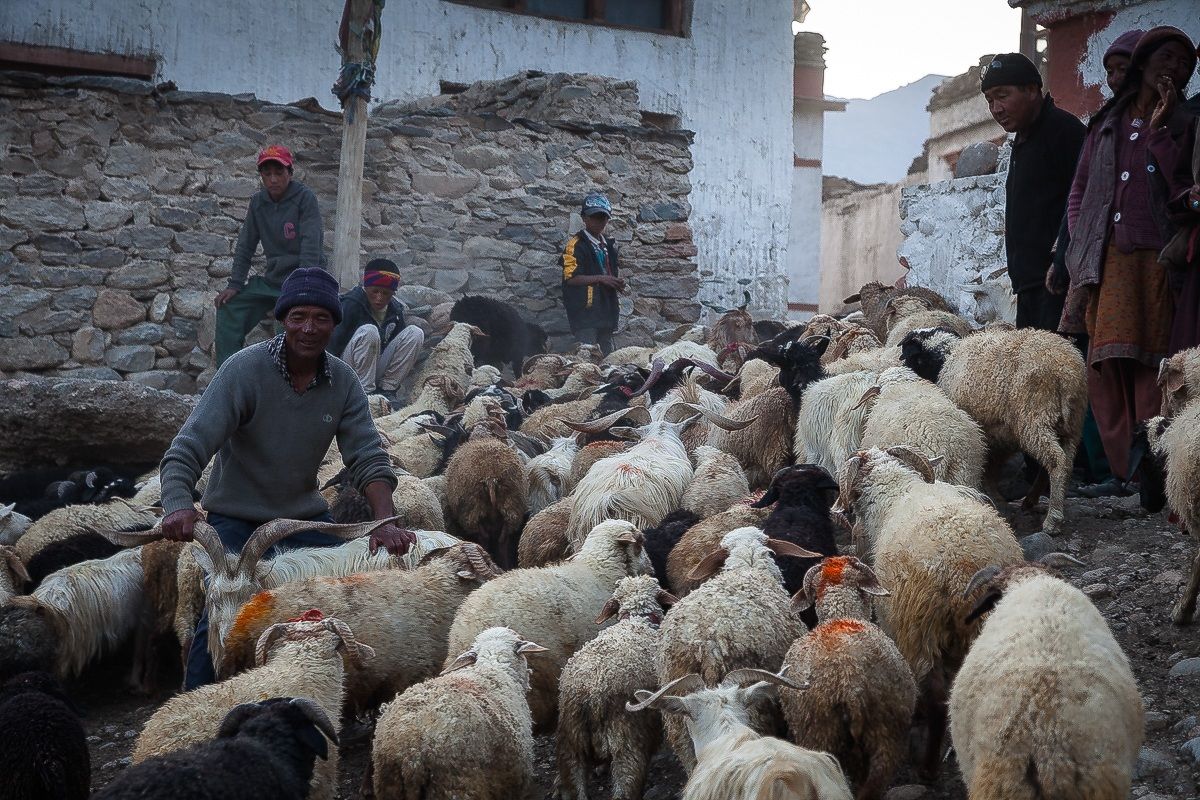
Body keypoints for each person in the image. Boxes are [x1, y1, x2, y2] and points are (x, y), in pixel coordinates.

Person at [159, 267, 415, 689]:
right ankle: (197, 710)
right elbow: (187, 447)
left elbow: (368, 455)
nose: (309, 328)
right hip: (235, 521)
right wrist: (178, 505)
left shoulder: (343, 381)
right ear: (283, 320)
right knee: (227, 609)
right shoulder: (244, 370)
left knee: (342, 597)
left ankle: (319, 696)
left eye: (320, 318)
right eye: (298, 317)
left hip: (301, 521)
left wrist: (385, 519)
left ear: (335, 323)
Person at [1061, 26, 1198, 484]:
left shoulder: (1185, 123)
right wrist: (1081, 239)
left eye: (1184, 64)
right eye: (1167, 58)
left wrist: (1165, 125)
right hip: (1106, 261)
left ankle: (1152, 474)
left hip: (1158, 260)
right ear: (1144, 63)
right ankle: (1120, 472)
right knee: (1105, 365)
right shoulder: (1106, 125)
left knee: (1151, 366)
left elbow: (1182, 188)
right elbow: (1080, 189)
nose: (1174, 68)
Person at [982, 53, 1087, 332]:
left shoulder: (1064, 132)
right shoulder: (1023, 140)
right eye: (990, 100)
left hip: (1057, 283)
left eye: (1002, 96)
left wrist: (1061, 262)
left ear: (1031, 90)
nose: (996, 108)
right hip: (1028, 286)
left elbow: (1081, 202)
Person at [214, 144, 326, 367]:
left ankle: (285, 377)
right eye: (268, 174)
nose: (273, 179)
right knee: (229, 307)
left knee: (287, 317)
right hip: (272, 281)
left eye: (279, 172)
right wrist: (235, 283)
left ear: (290, 173)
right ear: (262, 177)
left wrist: (303, 284)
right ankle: (227, 373)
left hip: (302, 279)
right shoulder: (258, 202)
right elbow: (246, 244)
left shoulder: (304, 198)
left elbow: (311, 244)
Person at [326, 259, 426, 400]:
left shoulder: (395, 311)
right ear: (366, 287)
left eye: (385, 293)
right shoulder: (350, 305)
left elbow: (397, 350)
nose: (379, 298)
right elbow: (331, 346)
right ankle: (365, 395)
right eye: (375, 291)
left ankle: (387, 391)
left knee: (415, 333)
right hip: (344, 372)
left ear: (392, 293)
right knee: (369, 331)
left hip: (373, 371)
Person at [562, 193, 624, 354]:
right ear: (584, 218)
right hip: (585, 312)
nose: (599, 222)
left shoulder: (608, 245)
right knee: (587, 355)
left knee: (607, 357)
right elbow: (571, 278)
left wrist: (615, 283)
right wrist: (602, 279)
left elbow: (608, 273)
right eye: (594, 217)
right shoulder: (575, 245)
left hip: (606, 311)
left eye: (603, 218)